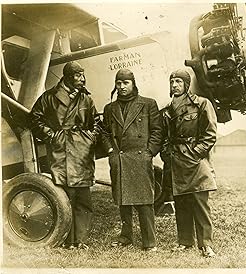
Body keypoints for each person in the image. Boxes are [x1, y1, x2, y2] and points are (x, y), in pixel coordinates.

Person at [30, 61, 101, 250]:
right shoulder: (49, 97)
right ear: (68, 77)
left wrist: (89, 138)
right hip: (61, 152)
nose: (82, 79)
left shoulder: (86, 98)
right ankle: (67, 240)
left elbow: (96, 122)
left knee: (83, 198)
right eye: (78, 75)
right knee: (65, 197)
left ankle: (81, 240)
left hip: (82, 152)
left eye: (82, 75)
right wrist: (52, 135)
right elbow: (34, 118)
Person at [101, 68, 162, 252]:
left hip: (140, 159)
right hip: (119, 159)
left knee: (144, 201)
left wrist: (149, 152)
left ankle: (149, 241)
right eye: (118, 84)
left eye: (125, 83)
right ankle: (125, 237)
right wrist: (111, 151)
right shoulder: (110, 108)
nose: (121, 87)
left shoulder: (148, 104)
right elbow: (104, 132)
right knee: (123, 201)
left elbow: (158, 131)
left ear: (133, 83)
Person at [160, 69, 217, 257]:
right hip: (176, 161)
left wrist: (195, 153)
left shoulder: (202, 104)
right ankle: (185, 242)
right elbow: (165, 137)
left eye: (179, 81)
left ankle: (206, 244)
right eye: (172, 81)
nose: (175, 85)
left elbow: (209, 134)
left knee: (200, 203)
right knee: (181, 201)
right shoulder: (168, 110)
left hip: (195, 161)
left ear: (186, 84)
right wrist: (166, 154)